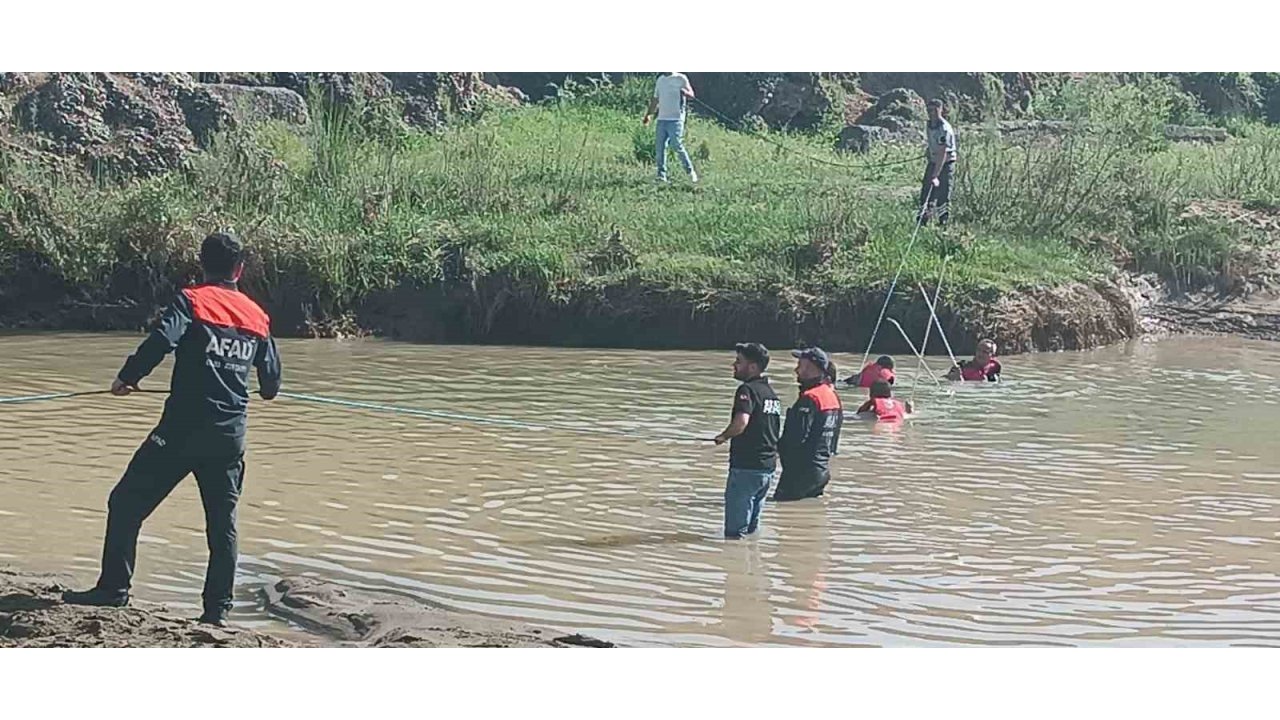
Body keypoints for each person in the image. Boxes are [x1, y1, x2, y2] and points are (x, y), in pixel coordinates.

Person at [62, 232, 283, 627]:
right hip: (229, 437)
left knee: (126, 503)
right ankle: (216, 613)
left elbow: (163, 339)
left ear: (203, 265)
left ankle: (114, 591)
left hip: (180, 432)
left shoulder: (192, 299)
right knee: (222, 526)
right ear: (239, 269)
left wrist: (128, 377)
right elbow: (270, 387)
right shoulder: (257, 315)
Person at [713, 342, 781, 538]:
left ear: (752, 367)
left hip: (746, 468)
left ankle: (735, 565)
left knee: (734, 535)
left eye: (738, 362)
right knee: (751, 531)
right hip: (767, 469)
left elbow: (742, 422)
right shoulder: (771, 395)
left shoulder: (747, 390)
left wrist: (723, 436)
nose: (734, 365)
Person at [774, 347, 843, 502]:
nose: (796, 369)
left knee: (785, 516)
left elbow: (796, 437)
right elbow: (834, 441)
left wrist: (774, 450)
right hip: (822, 471)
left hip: (800, 472)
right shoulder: (832, 396)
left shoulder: (810, 398)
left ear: (810, 368)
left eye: (800, 365)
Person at [643, 72, 698, 184]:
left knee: (676, 144)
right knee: (660, 147)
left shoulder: (681, 78)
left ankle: (690, 172)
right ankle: (661, 176)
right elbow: (655, 100)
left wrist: (685, 93)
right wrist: (648, 114)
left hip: (676, 119)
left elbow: (692, 95)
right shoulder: (660, 80)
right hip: (662, 119)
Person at [919, 98, 957, 226]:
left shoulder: (944, 129)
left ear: (940, 110)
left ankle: (943, 223)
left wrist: (935, 175)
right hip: (934, 160)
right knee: (926, 191)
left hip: (946, 163)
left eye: (935, 110)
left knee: (943, 193)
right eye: (929, 110)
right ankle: (923, 219)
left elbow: (943, 152)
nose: (932, 113)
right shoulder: (929, 125)